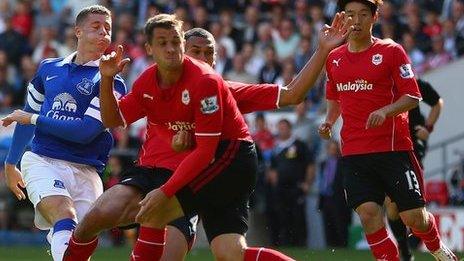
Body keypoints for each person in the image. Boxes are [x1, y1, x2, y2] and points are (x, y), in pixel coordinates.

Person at [63, 13, 353, 261]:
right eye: (196, 51)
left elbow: (292, 94)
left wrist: (323, 50)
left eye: (209, 52)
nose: (203, 58)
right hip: (153, 174)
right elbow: (112, 119)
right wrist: (107, 79)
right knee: (97, 217)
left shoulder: (219, 89)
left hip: (195, 177)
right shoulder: (154, 80)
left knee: (167, 241)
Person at [318, 0, 457, 260]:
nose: (356, 21)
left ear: (374, 17)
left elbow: (413, 96)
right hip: (355, 152)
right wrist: (328, 121)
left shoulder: (391, 51)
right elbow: (334, 97)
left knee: (413, 217)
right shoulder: (334, 58)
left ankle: (437, 247)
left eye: (362, 15)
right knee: (369, 215)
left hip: (393, 149)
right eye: (350, 15)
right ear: (343, 18)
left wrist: (386, 111)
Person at [1, 5, 126, 261]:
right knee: (64, 214)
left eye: (108, 29)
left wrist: (34, 118)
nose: (104, 33)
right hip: (43, 161)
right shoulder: (48, 68)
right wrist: (11, 162)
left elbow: (85, 132)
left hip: (87, 171)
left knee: (78, 244)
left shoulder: (112, 82)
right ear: (78, 31)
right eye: (96, 27)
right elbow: (28, 115)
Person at [385, 78, 444, 261]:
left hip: (412, 143)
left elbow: (437, 102)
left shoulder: (412, 81)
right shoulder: (376, 82)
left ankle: (434, 248)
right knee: (392, 205)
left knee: (407, 202)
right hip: (389, 144)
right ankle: (405, 250)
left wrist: (428, 128)